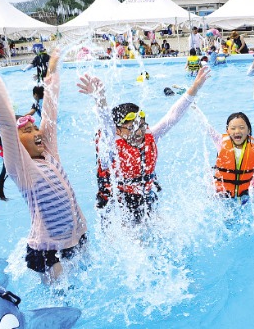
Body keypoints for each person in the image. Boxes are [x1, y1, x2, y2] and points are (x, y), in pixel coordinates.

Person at [0, 48, 87, 284]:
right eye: (28, 130)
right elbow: (5, 122)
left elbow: (50, 114)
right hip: (48, 250)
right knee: (60, 297)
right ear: (14, 145)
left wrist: (53, 70)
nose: (37, 132)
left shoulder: (49, 154)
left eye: (35, 128)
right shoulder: (21, 169)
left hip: (76, 237)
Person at [76, 66, 210, 224]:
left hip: (144, 198)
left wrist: (195, 87)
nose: (139, 132)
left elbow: (173, 116)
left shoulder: (149, 136)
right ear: (118, 130)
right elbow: (105, 121)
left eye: (141, 126)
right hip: (117, 205)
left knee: (165, 228)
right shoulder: (110, 144)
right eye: (132, 127)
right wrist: (100, 97)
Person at [198, 111, 254, 203]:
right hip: (222, 194)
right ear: (228, 130)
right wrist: (195, 109)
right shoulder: (221, 142)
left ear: (248, 130)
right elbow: (206, 127)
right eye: (233, 128)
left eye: (242, 128)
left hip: (244, 194)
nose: (237, 131)